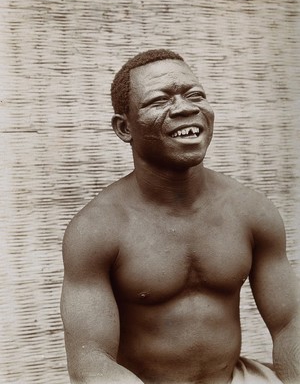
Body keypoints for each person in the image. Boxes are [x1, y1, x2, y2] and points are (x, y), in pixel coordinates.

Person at [60, 49, 299, 384]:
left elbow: (291, 323)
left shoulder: (251, 211)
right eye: (159, 100)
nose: (186, 108)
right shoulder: (97, 229)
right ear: (124, 128)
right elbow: (90, 362)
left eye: (195, 95)